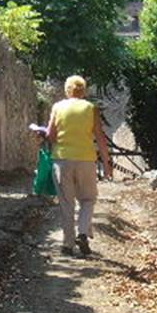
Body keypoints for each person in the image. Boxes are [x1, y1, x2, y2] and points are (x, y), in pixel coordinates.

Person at [45, 75, 112, 257]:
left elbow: (50, 135)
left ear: (67, 90)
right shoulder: (90, 108)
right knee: (88, 199)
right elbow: (100, 137)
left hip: (62, 159)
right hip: (86, 160)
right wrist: (107, 163)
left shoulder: (58, 107)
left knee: (67, 203)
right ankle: (83, 233)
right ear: (84, 91)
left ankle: (67, 245)